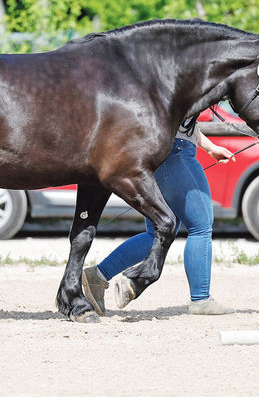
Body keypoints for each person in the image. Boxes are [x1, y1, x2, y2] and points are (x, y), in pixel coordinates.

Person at [82, 119, 236, 315]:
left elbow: (184, 120)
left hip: (162, 152)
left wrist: (211, 147)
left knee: (157, 233)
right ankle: (201, 299)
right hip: (177, 153)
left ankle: (98, 275)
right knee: (201, 225)